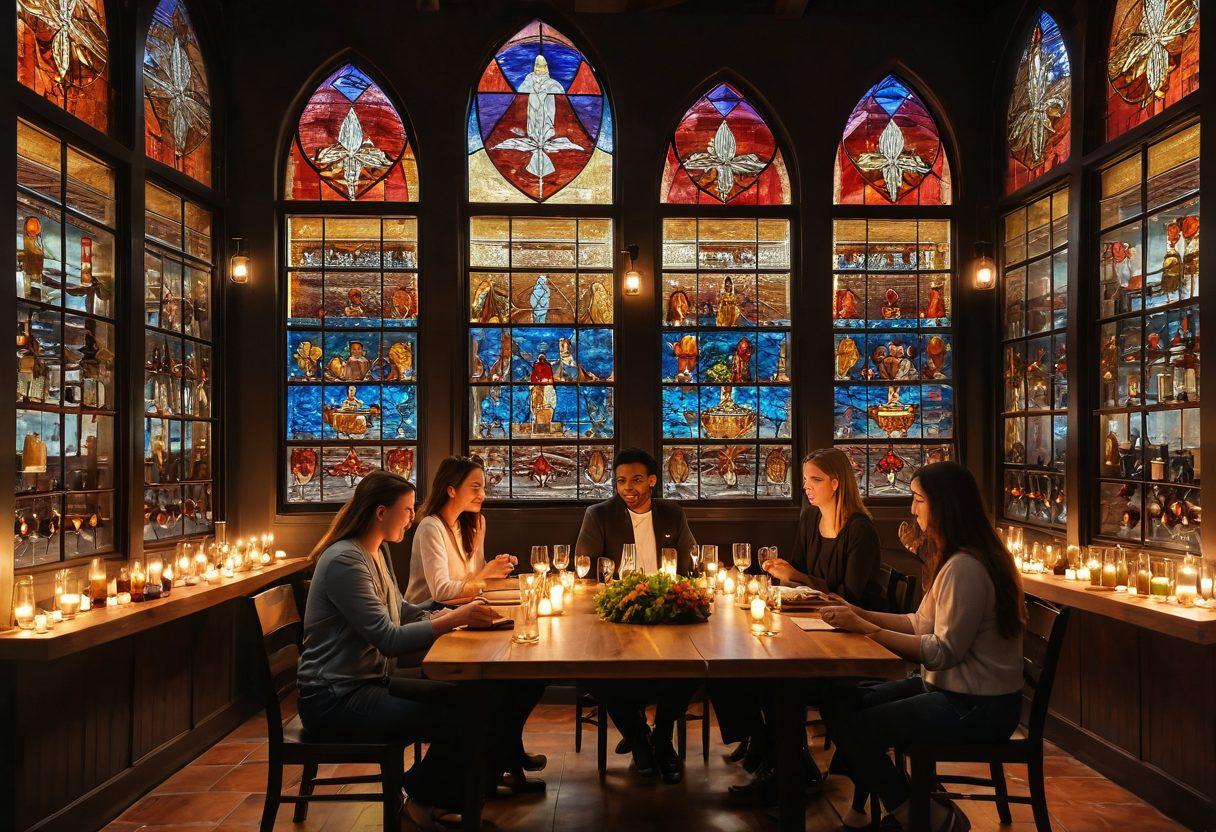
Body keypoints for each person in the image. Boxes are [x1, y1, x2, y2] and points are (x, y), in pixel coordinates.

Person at [295, 471, 542, 829]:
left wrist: (447, 614)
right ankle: (423, 803)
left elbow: (401, 609)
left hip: (368, 682)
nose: (413, 518)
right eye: (408, 510)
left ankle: (433, 797)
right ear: (381, 512)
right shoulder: (345, 561)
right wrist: (454, 618)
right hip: (334, 698)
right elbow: (389, 638)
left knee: (473, 699)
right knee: (462, 717)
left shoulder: (374, 551)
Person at [819, 462, 1027, 832]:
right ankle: (914, 804)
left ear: (945, 505)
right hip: (952, 689)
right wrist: (856, 612)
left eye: (918, 500)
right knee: (840, 701)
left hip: (978, 706)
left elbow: (942, 652)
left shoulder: (966, 568)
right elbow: (919, 623)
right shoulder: (956, 558)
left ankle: (923, 816)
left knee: (860, 727)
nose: (912, 509)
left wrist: (865, 628)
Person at [715, 448, 883, 802]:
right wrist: (784, 573)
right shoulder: (810, 518)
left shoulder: (860, 530)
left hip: (850, 638)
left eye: (815, 480)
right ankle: (774, 753)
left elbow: (849, 597)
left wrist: (797, 576)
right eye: (805, 479)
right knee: (729, 671)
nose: (806, 487)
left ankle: (784, 767)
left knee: (773, 681)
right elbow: (801, 574)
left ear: (836, 483)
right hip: (810, 623)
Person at [574, 447, 699, 784]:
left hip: (666, 612)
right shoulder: (598, 515)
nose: (628, 488)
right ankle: (638, 735)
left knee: (693, 662)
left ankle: (663, 736)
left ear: (653, 481)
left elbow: (690, 564)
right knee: (596, 670)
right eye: (621, 481)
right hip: (617, 616)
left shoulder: (673, 513)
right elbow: (585, 571)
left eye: (637, 480)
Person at [406, 456, 516, 606]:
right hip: (426, 614)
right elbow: (440, 592)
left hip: (462, 610)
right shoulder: (431, 527)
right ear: (451, 491)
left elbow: (473, 579)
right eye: (475, 488)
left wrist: (498, 566)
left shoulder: (477, 523)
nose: (482, 495)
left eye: (483, 488)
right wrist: (486, 574)